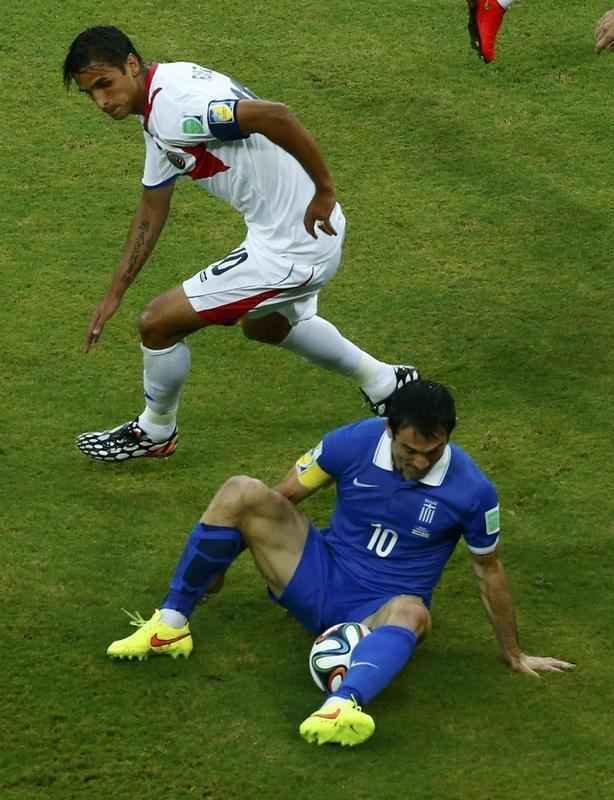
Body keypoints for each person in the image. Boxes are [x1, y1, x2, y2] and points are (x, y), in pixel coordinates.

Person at [106, 380, 575, 747]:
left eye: (432, 452)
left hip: (382, 608)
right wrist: (222, 559)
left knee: (414, 613)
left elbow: (488, 569)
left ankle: (342, 705)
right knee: (241, 491)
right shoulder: (351, 443)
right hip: (319, 574)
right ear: (390, 430)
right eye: (410, 450)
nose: (420, 462)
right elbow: (280, 500)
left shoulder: (473, 490)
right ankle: (171, 623)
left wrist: (513, 652)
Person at [62, 27, 417, 462]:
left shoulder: (175, 111)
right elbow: (152, 208)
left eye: (105, 84)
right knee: (265, 324)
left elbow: (276, 116)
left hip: (294, 246)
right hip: (296, 232)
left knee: (157, 323)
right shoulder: (160, 98)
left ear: (132, 65)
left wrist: (325, 189)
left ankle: (156, 430)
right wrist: (114, 291)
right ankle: (385, 381)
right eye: (90, 93)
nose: (101, 101)